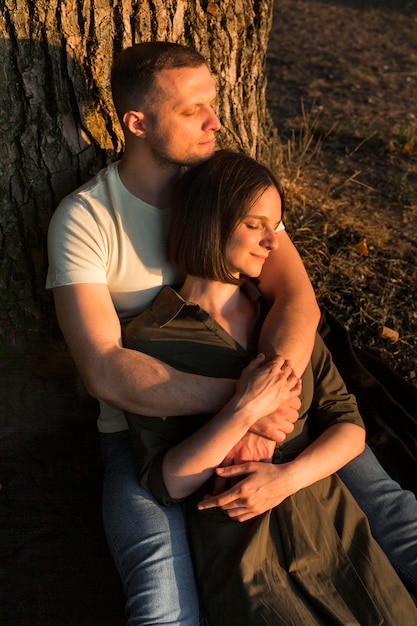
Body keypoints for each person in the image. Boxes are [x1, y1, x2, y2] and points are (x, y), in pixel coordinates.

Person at [46, 41, 417, 623]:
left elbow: (295, 297)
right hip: (151, 429)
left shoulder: (226, 186)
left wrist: (278, 399)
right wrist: (243, 404)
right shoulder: (89, 217)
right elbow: (102, 367)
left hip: (280, 400)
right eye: (192, 110)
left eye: (213, 101)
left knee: (395, 516)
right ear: (137, 123)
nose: (216, 121)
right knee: (160, 603)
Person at [122, 149, 417, 625]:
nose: (272, 243)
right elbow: (168, 479)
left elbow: (349, 427)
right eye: (257, 225)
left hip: (336, 538)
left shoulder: (280, 321)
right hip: (246, 559)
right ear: (210, 220)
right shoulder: (151, 338)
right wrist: (242, 410)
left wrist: (286, 480)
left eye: (275, 228)